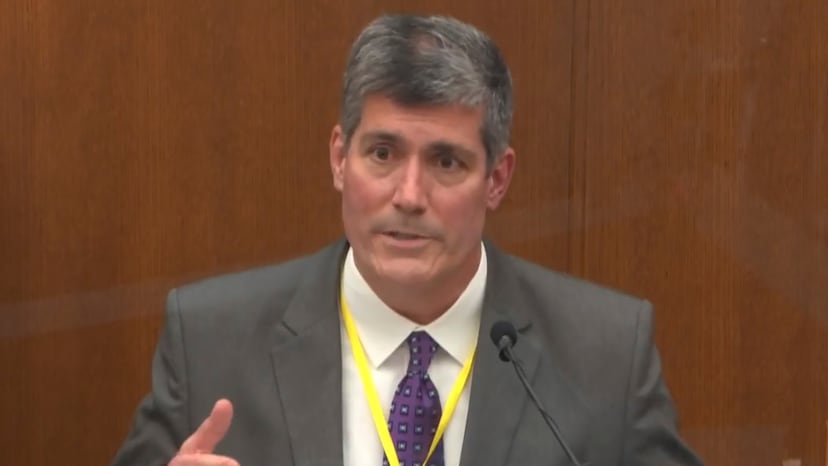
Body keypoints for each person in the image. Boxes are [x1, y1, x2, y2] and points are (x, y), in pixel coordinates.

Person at [111, 13, 704, 466]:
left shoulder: (605, 356)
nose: (410, 195)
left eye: (446, 162)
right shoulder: (211, 342)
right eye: (382, 153)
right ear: (339, 159)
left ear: (497, 179)